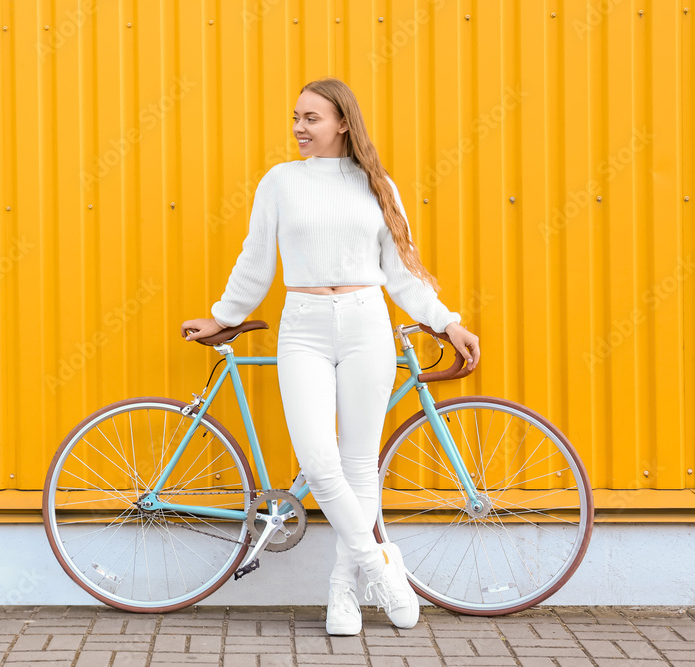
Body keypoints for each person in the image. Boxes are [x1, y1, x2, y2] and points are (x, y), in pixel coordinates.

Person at [180, 77, 481, 634]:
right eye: (295, 117)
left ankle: (343, 594)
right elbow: (255, 264)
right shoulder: (280, 183)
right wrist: (223, 315)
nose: (298, 127)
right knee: (320, 462)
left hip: (368, 322)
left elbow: (404, 273)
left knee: (360, 464)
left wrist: (448, 322)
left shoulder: (377, 185)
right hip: (304, 326)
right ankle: (381, 567)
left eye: (311, 118)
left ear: (342, 121)